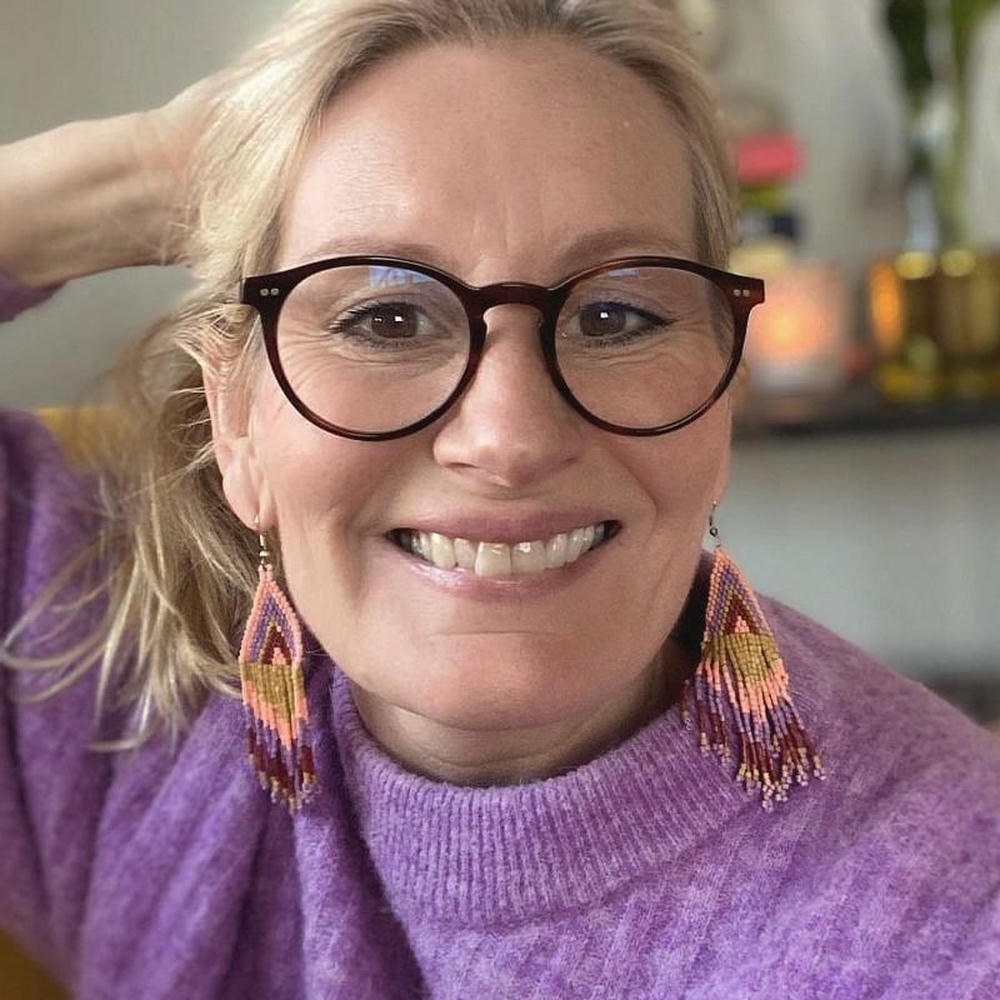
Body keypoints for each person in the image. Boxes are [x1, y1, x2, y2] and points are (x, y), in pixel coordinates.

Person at [0, 1, 997, 997]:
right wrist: (143, 173)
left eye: (615, 315)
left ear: (724, 386)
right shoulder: (108, 690)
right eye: (387, 318)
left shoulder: (952, 914)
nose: (509, 439)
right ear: (237, 420)